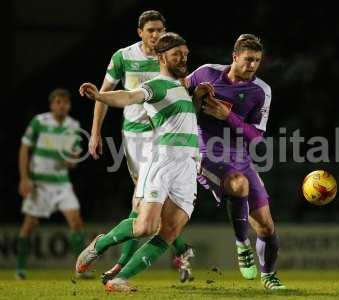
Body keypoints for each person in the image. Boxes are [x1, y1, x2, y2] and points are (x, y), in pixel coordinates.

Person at [76, 32, 198, 293]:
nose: (183, 59)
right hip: (163, 161)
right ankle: (101, 244)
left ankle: (118, 279)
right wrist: (100, 96)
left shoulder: (182, 88)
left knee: (170, 231)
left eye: (185, 55)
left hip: (187, 166)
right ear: (162, 57)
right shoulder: (156, 85)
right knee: (145, 226)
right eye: (178, 54)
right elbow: (128, 97)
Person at [187, 34, 286, 290]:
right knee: (238, 184)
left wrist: (228, 116)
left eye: (257, 60)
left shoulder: (260, 91)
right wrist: (195, 98)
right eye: (248, 59)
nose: (252, 65)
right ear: (234, 56)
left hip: (239, 157)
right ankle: (242, 244)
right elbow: (178, 97)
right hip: (204, 152)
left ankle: (269, 276)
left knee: (266, 224)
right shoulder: (205, 73)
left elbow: (257, 138)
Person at [16, 88, 89, 279]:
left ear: (69, 106)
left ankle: (80, 270)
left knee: (76, 222)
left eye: (65, 103)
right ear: (51, 105)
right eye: (58, 102)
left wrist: (72, 161)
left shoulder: (74, 125)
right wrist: (24, 178)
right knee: (30, 224)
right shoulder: (40, 122)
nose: (61, 106)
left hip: (62, 184)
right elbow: (24, 149)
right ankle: (21, 268)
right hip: (39, 183)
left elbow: (74, 156)